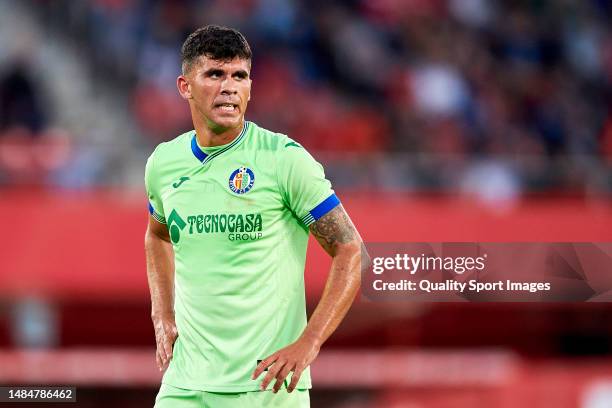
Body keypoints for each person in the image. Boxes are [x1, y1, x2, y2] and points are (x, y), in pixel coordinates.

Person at [144, 25, 364, 408]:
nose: (229, 87)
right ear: (185, 86)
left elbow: (350, 248)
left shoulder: (284, 160)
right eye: (214, 74)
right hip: (185, 384)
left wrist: (309, 343)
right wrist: (162, 312)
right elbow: (157, 235)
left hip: (266, 388)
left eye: (239, 76)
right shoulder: (164, 164)